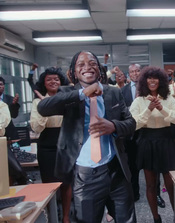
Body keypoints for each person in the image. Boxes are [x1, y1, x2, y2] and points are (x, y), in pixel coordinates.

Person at [37, 51, 136, 223]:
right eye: (80, 65)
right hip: (85, 175)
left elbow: (131, 123)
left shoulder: (113, 93)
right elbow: (43, 108)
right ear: (74, 72)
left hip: (115, 170)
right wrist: (83, 93)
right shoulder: (66, 93)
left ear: (99, 69)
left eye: (92, 63)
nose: (87, 67)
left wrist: (113, 126)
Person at [129, 66, 175, 223]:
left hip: (166, 141)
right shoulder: (139, 101)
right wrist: (149, 109)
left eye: (156, 78)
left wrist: (162, 108)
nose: (152, 80)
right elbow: (133, 124)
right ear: (144, 81)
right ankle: (156, 218)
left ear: (161, 81)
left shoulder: (168, 99)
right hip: (147, 142)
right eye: (149, 78)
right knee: (151, 185)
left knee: (171, 185)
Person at [29, 67, 72, 223]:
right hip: (46, 145)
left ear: (61, 82)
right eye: (49, 79)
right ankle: (53, 216)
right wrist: (45, 106)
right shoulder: (37, 102)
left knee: (67, 182)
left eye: (56, 79)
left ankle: (66, 217)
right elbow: (36, 128)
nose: (53, 82)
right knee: (49, 184)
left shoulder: (67, 98)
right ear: (44, 83)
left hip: (66, 144)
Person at [121, 63, 142, 202]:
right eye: (132, 72)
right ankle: (134, 193)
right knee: (132, 165)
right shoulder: (123, 90)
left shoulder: (149, 87)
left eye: (137, 71)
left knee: (150, 165)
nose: (135, 74)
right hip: (130, 132)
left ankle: (157, 193)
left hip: (146, 131)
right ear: (129, 74)